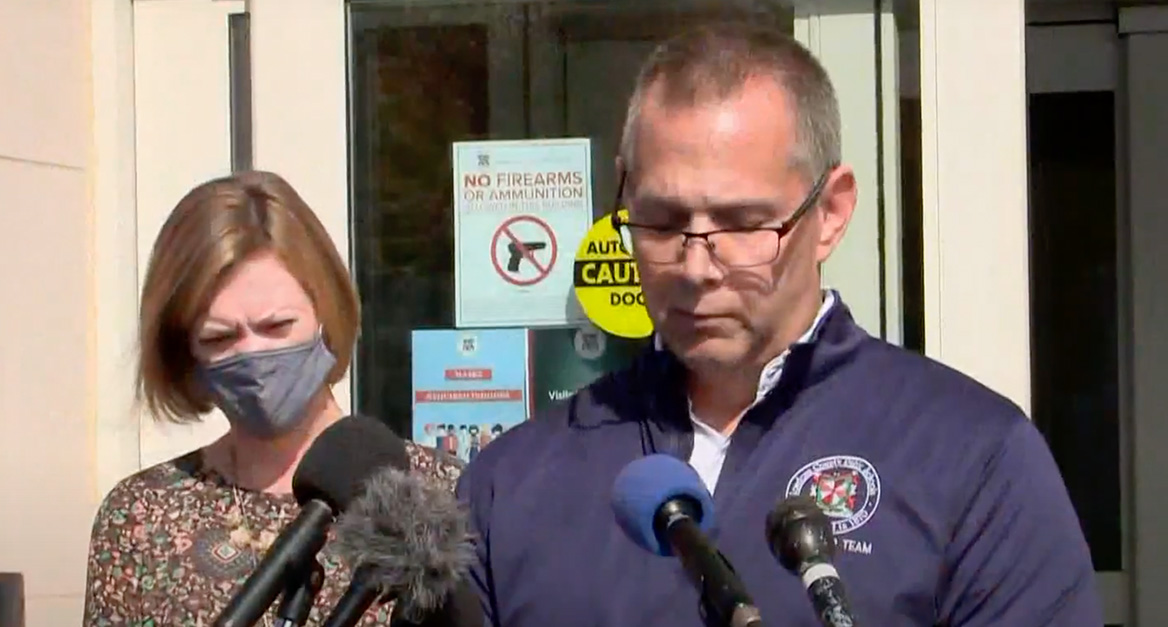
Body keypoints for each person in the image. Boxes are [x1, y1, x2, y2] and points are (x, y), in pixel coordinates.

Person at [456, 22, 1102, 627]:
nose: (695, 267)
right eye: (662, 221)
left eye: (741, 223)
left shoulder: (972, 457)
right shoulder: (512, 483)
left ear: (831, 212)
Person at [83, 171, 463, 625]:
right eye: (220, 337)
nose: (253, 354)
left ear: (326, 313)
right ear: (184, 351)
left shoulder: (445, 496)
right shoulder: (143, 518)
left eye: (277, 326)